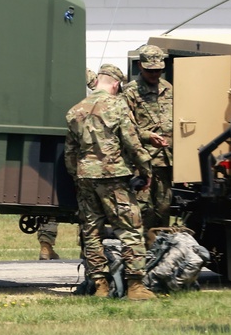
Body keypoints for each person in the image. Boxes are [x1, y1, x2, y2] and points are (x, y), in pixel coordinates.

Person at [65, 63, 155, 300]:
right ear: (116, 84)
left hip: (86, 178)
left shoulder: (75, 110)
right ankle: (136, 286)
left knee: (91, 232)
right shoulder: (118, 106)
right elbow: (132, 143)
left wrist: (79, 176)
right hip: (114, 178)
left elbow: (70, 153)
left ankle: (100, 286)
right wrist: (146, 171)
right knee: (131, 229)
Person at [35, 68, 100, 260]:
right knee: (87, 205)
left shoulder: (58, 76)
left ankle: (46, 246)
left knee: (51, 201)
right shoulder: (88, 77)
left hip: (61, 146)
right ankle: (87, 248)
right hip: (86, 151)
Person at [123, 44, 174, 233]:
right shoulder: (130, 92)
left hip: (166, 160)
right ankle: (141, 252)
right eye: (150, 71)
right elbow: (124, 127)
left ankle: (160, 249)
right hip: (142, 161)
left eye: (159, 70)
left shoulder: (168, 89)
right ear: (140, 67)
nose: (155, 74)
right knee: (143, 209)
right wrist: (146, 136)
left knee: (164, 208)